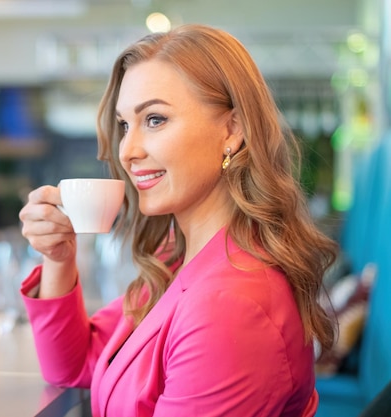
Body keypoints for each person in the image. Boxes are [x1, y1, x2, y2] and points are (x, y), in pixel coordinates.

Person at [18, 23, 338, 417]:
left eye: (154, 119)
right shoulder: (180, 257)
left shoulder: (231, 305)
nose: (127, 151)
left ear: (232, 130)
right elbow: (72, 366)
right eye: (123, 125)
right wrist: (58, 256)